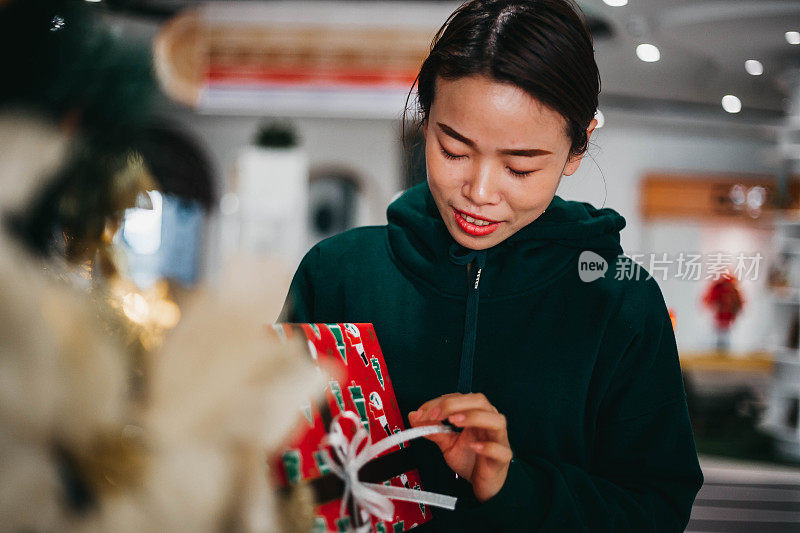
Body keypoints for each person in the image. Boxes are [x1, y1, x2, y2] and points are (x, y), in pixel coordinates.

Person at [278, 0, 703, 530]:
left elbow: (657, 510)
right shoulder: (337, 273)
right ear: (426, 119)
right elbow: (274, 466)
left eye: (520, 167)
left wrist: (513, 487)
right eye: (453, 150)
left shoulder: (620, 302)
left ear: (577, 148)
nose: (478, 193)